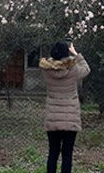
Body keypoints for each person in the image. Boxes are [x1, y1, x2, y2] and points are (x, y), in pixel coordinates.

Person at [39, 39, 91, 173]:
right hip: (70, 118)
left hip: (53, 117)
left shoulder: (46, 70)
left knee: (53, 153)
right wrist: (76, 54)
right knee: (67, 154)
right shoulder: (73, 69)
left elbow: (54, 61)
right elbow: (86, 69)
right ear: (67, 53)